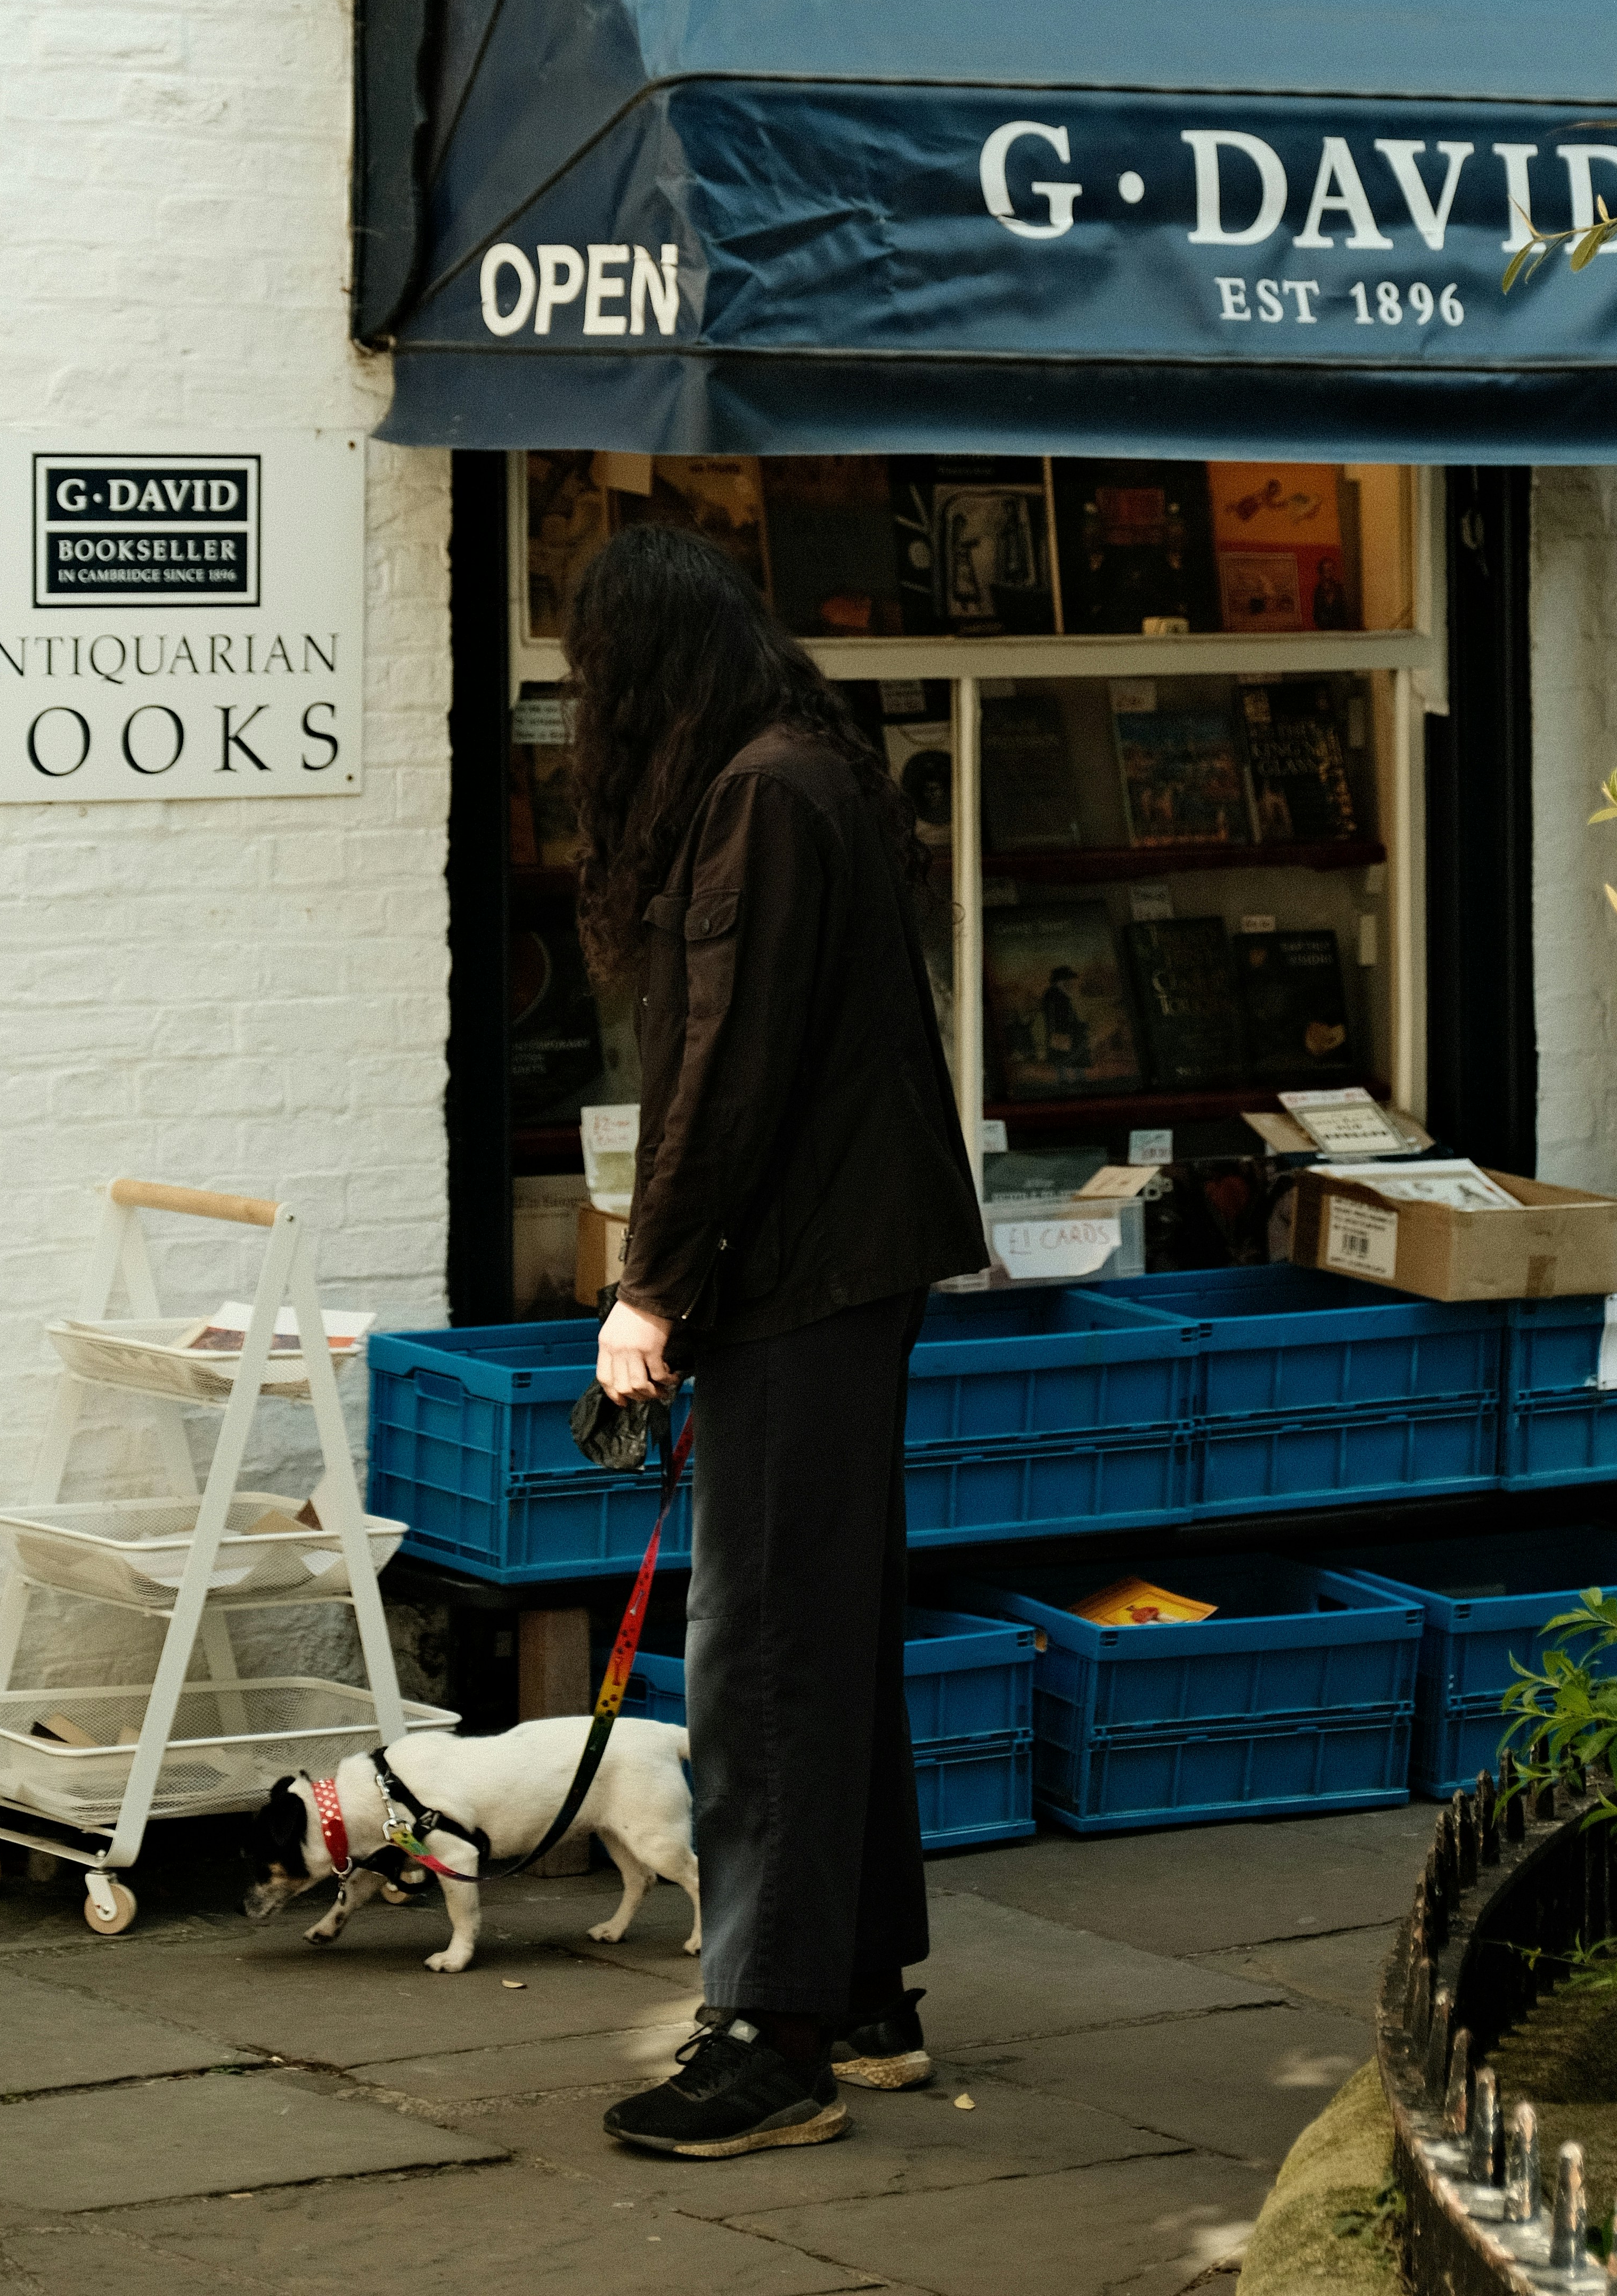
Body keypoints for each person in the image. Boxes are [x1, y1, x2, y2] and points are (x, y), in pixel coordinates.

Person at [568, 523, 988, 2160]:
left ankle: (772, 2037)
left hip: (800, 1271)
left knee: (764, 1648)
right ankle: (861, 1985)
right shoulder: (806, 764)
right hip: (842, 1260)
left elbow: (728, 1075)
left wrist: (650, 1289)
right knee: (832, 1619)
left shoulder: (755, 797)